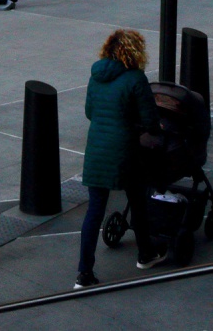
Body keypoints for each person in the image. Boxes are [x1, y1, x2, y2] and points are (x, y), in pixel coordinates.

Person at [77, 29, 164, 289]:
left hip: (97, 150)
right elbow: (150, 122)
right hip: (125, 151)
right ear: (134, 51)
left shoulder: (96, 76)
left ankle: (83, 275)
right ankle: (145, 254)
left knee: (94, 211)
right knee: (137, 199)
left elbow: (90, 112)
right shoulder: (136, 79)